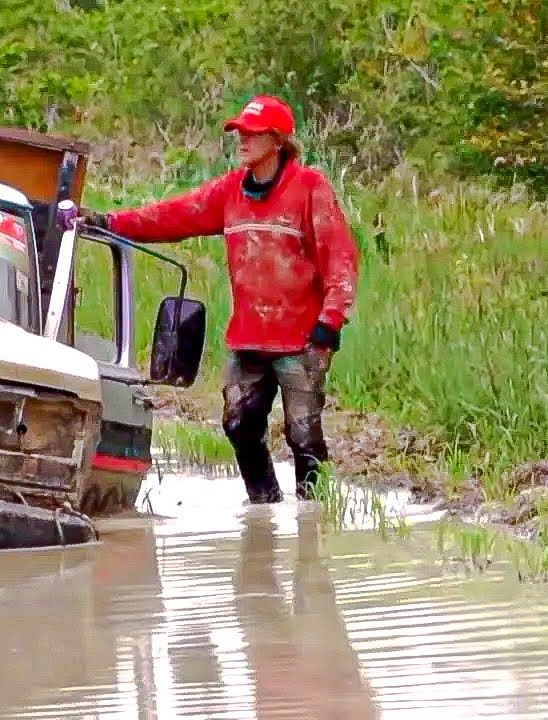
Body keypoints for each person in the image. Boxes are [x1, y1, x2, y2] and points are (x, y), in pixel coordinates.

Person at [80, 95, 358, 503]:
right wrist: (110, 223)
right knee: (238, 423)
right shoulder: (230, 191)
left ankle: (315, 516)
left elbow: (341, 259)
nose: (241, 140)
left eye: (252, 133)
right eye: (239, 133)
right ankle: (264, 505)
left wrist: (330, 320)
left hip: (302, 340)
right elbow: (175, 215)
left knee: (304, 436)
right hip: (248, 338)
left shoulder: (310, 188)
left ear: (277, 140)